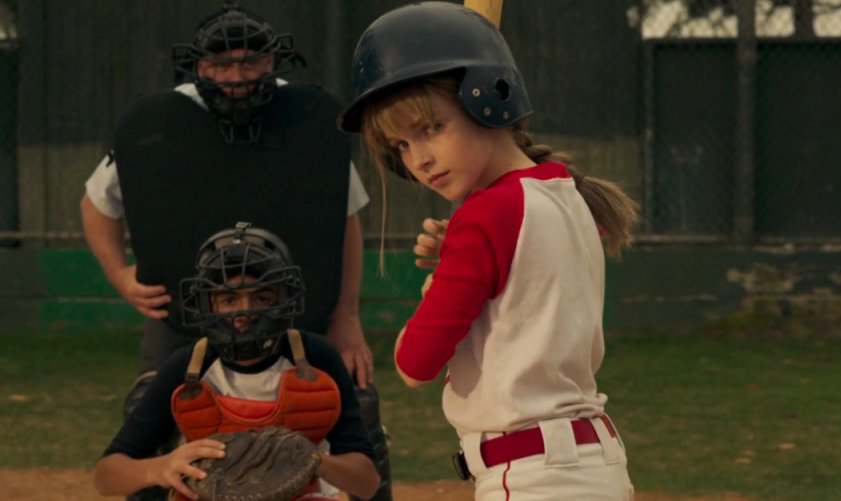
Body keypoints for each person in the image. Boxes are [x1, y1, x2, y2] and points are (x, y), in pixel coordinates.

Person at [80, 3, 391, 500]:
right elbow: (96, 205)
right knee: (152, 406)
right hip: (191, 302)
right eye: (220, 66)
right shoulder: (162, 124)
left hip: (292, 300)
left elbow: (341, 220)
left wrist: (346, 314)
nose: (236, 77)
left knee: (352, 400)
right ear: (197, 66)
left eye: (250, 63)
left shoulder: (308, 122)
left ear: (274, 62)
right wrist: (120, 274)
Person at [337, 3, 640, 500]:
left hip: (535, 477)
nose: (420, 159)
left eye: (432, 127)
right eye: (402, 146)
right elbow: (517, 296)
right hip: (591, 465)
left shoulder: (485, 216)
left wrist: (440, 280)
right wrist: (459, 261)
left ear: (487, 101)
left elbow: (416, 364)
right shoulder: (564, 190)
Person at [94, 222, 381, 501]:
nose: (244, 313)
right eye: (229, 300)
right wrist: (159, 467)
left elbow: (367, 483)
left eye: (262, 298)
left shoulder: (314, 357)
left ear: (284, 300)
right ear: (208, 305)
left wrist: (314, 462)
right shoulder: (190, 366)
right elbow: (107, 476)